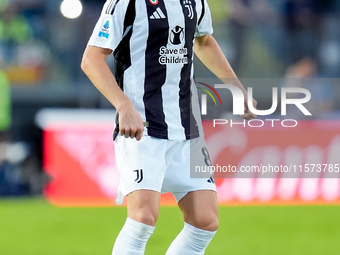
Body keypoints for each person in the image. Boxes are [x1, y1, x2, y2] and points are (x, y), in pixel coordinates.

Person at [81, 0, 256, 254]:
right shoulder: (126, 3)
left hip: (187, 126)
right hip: (143, 126)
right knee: (143, 219)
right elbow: (91, 59)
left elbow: (203, 40)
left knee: (205, 222)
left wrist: (236, 87)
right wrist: (123, 106)